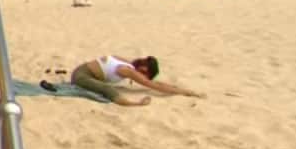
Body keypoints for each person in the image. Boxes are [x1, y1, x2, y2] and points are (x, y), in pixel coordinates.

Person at [70, 54, 203, 106]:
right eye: (145, 73)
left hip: (81, 70)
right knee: (108, 89)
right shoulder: (127, 70)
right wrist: (185, 92)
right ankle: (136, 104)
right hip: (81, 76)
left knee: (105, 87)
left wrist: (180, 90)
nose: (142, 76)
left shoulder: (127, 63)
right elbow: (153, 85)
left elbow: (154, 83)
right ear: (143, 67)